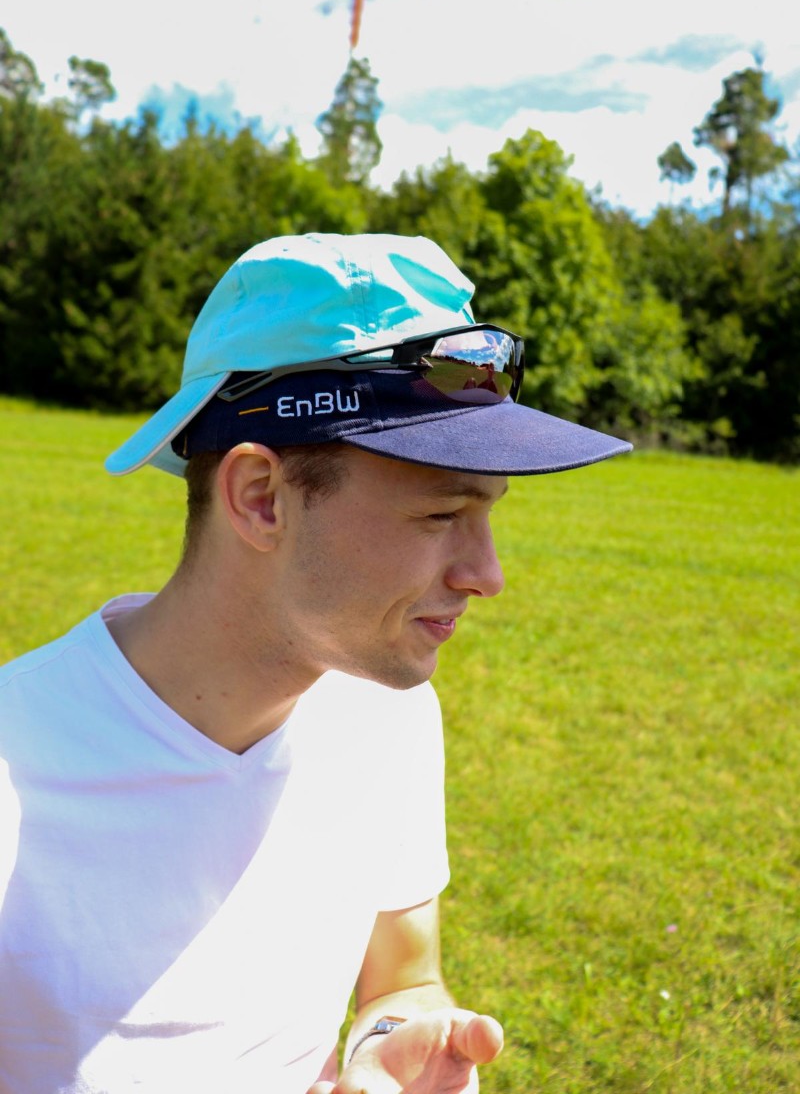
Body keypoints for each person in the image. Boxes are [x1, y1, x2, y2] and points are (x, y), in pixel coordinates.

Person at [0, 233, 631, 1094]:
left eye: (487, 515)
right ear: (261, 498)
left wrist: (390, 1041)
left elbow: (404, 977)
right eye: (441, 514)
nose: (487, 575)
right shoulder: (17, 772)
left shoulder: (388, 716)